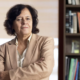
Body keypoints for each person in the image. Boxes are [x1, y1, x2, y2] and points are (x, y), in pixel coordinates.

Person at [0, 4, 54, 80]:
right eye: (19, 19)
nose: (24, 22)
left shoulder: (46, 42)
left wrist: (9, 74)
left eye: (28, 18)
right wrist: (34, 69)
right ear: (12, 24)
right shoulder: (3, 49)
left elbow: (45, 69)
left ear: (33, 22)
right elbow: (0, 76)